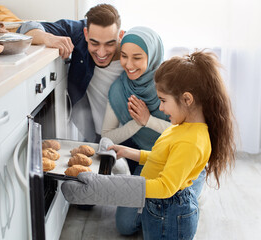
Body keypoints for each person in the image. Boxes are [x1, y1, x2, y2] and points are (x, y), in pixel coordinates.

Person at [61, 50, 236, 239]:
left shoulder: (190, 141)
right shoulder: (181, 127)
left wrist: (109, 186)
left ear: (187, 99)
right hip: (158, 207)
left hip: (171, 213)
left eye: (163, 101)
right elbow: (160, 158)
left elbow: (165, 187)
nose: (160, 108)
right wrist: (130, 152)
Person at [17, 4, 125, 143]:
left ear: (120, 35)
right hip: (95, 138)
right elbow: (26, 29)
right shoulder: (78, 33)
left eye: (109, 44)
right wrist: (48, 38)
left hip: (131, 137)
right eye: (94, 43)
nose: (101, 52)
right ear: (86, 34)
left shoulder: (135, 51)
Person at [101, 26, 170, 175]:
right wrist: (137, 123)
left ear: (152, 56)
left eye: (137, 58)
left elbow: (188, 133)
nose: (128, 65)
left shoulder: (172, 84)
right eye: (124, 56)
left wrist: (148, 120)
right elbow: (106, 136)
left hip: (180, 154)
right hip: (143, 156)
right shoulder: (119, 89)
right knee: (139, 194)